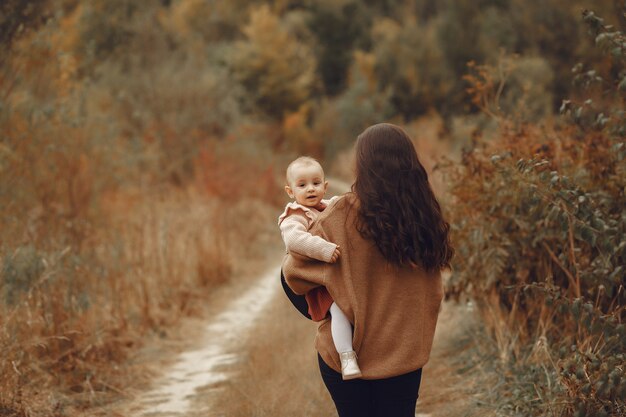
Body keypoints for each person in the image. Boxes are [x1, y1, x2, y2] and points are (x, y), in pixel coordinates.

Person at [283, 123, 453, 417]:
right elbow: (433, 293)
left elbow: (291, 276)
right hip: (404, 355)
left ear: (362, 165)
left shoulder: (341, 216)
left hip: (350, 359)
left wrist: (329, 309)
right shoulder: (424, 216)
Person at [278, 156, 362, 380]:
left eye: (316, 183)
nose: (310, 189)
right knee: (339, 311)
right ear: (290, 191)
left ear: (325, 187)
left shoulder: (328, 206)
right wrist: (323, 249)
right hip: (319, 282)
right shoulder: (294, 216)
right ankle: (347, 357)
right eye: (302, 185)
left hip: (337, 276)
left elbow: (346, 209)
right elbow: (294, 240)